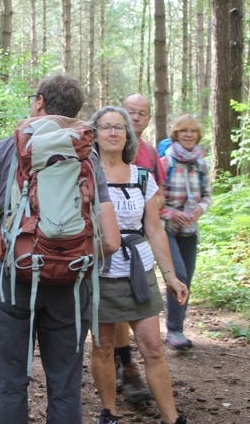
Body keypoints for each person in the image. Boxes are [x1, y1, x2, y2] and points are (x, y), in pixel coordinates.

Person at [0, 74, 121, 424]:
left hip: (15, 278)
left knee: (10, 381)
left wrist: (5, 237)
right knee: (65, 384)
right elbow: (111, 240)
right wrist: (74, 253)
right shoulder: (87, 154)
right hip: (72, 284)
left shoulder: (8, 147)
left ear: (41, 102)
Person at [89, 106, 189, 424]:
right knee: (104, 348)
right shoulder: (86, 177)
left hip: (138, 271)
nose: (114, 132)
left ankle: (171, 417)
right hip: (100, 272)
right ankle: (109, 413)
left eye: (119, 127)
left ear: (128, 136)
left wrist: (170, 276)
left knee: (153, 349)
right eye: (106, 127)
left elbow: (154, 229)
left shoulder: (141, 177)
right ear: (94, 134)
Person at [111, 93, 168, 402]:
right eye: (129, 112)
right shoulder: (107, 142)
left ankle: (133, 366)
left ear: (148, 118)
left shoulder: (148, 151)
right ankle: (127, 365)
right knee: (117, 309)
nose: (135, 117)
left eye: (141, 113)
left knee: (138, 301)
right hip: (110, 242)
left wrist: (148, 207)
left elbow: (159, 192)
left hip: (141, 238)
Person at [160, 114, 211, 350]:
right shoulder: (166, 162)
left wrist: (200, 209)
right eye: (184, 131)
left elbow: (207, 196)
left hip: (190, 230)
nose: (189, 135)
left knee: (186, 279)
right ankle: (173, 330)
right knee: (177, 274)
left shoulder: (201, 163)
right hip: (167, 228)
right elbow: (155, 201)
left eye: (193, 131)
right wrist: (172, 213)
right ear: (176, 134)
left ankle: (178, 327)